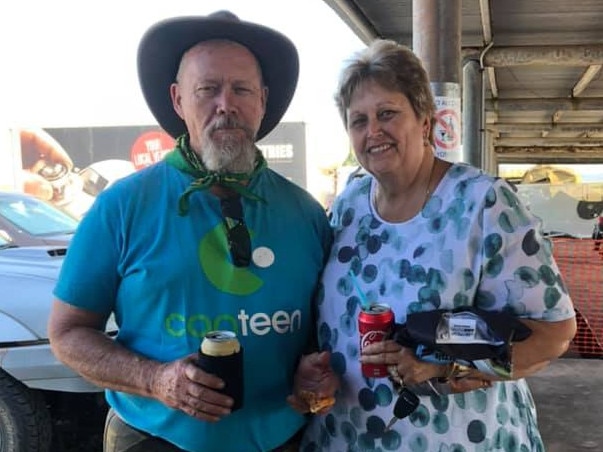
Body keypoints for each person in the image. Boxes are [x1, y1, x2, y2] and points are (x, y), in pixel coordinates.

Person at [47, 11, 338, 452]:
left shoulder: (305, 213)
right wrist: (156, 380)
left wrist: (312, 370)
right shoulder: (122, 206)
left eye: (241, 89)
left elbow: (323, 329)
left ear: (261, 100)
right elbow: (67, 333)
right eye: (207, 89)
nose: (226, 104)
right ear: (178, 100)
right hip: (153, 439)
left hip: (283, 440)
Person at [301, 39, 577, 451]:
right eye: (358, 120)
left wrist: (445, 368)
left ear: (425, 121)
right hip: (348, 436)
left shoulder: (483, 203)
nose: (372, 131)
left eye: (387, 113)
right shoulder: (350, 205)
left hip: (458, 439)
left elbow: (553, 333)